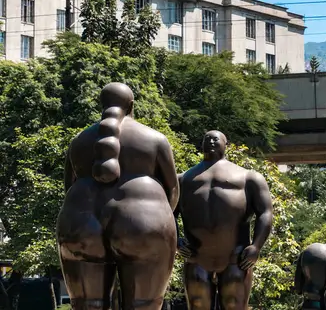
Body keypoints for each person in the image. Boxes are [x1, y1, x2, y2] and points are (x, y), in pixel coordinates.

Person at [57, 83, 179, 310]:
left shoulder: (78, 142)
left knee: (87, 304)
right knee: (143, 304)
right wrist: (159, 222)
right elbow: (173, 190)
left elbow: (68, 188)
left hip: (80, 222)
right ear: (132, 106)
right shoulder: (155, 139)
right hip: (145, 220)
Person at [175, 130, 273, 310]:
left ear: (225, 144)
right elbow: (168, 214)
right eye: (207, 138)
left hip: (236, 258)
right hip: (196, 257)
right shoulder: (183, 180)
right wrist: (176, 241)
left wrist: (256, 246)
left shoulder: (248, 177)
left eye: (215, 138)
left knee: (234, 305)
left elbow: (265, 213)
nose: (211, 141)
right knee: (197, 306)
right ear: (201, 144)